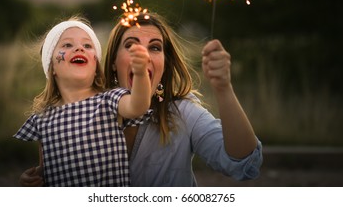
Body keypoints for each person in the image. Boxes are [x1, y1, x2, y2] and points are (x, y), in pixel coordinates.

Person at [19, 12, 263, 187]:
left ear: (164, 64)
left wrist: (223, 89)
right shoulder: (85, 111)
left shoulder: (183, 112)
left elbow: (242, 164)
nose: (143, 55)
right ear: (113, 62)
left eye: (155, 48)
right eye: (131, 45)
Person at [14, 16, 152, 186]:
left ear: (95, 67)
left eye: (87, 45)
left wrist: (140, 73)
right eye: (67, 45)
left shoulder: (109, 101)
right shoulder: (43, 119)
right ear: (51, 67)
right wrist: (29, 180)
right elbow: (49, 168)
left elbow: (138, 106)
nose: (79, 48)